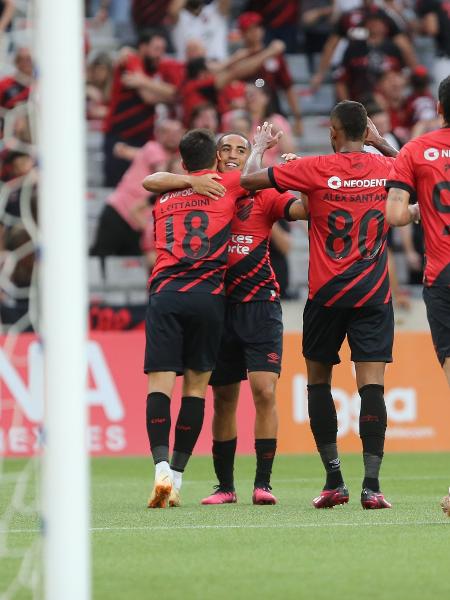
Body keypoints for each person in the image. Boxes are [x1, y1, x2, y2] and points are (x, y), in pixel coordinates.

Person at [241, 105, 404, 510]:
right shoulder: (389, 170)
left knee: (318, 383)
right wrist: (379, 141)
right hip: (372, 296)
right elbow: (412, 170)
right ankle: (372, 487)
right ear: (363, 131)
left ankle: (334, 479)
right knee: (372, 386)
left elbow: (248, 182)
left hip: (326, 296)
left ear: (332, 131)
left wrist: (260, 148)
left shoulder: (312, 168)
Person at [144, 132, 306, 506]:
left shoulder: (259, 190)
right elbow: (155, 180)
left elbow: (301, 211)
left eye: (241, 149)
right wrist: (195, 179)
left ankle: (262, 483)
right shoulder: (214, 187)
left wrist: (297, 177)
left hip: (258, 303)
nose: (233, 155)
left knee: (264, 391)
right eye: (226, 149)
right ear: (214, 156)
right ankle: (225, 487)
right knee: (224, 399)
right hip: (217, 304)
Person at [142, 128, 249, 509]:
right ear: (215, 158)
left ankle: (160, 468)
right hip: (207, 297)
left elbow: (148, 179)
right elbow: (257, 176)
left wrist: (187, 180)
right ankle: (179, 477)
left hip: (166, 294)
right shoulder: (228, 183)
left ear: (183, 160)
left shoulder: (166, 192)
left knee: (159, 387)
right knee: (195, 388)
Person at [386, 75, 450, 388]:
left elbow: (395, 215)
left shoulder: (416, 149)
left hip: (442, 275)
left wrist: (418, 210)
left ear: (439, 108)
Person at [91, 119, 183, 258]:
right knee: (99, 258)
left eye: (176, 132)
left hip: (139, 223)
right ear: (157, 134)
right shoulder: (153, 147)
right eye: (166, 132)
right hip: (119, 212)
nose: (172, 136)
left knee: (131, 274)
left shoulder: (174, 159)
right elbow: (161, 173)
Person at [103, 30, 178, 186]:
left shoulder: (158, 67)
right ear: (143, 47)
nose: (160, 55)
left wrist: (143, 81)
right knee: (117, 188)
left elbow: (177, 94)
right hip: (120, 136)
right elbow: (148, 97)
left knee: (141, 189)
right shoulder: (131, 59)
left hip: (143, 140)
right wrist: (166, 95)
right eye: (156, 49)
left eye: (163, 50)